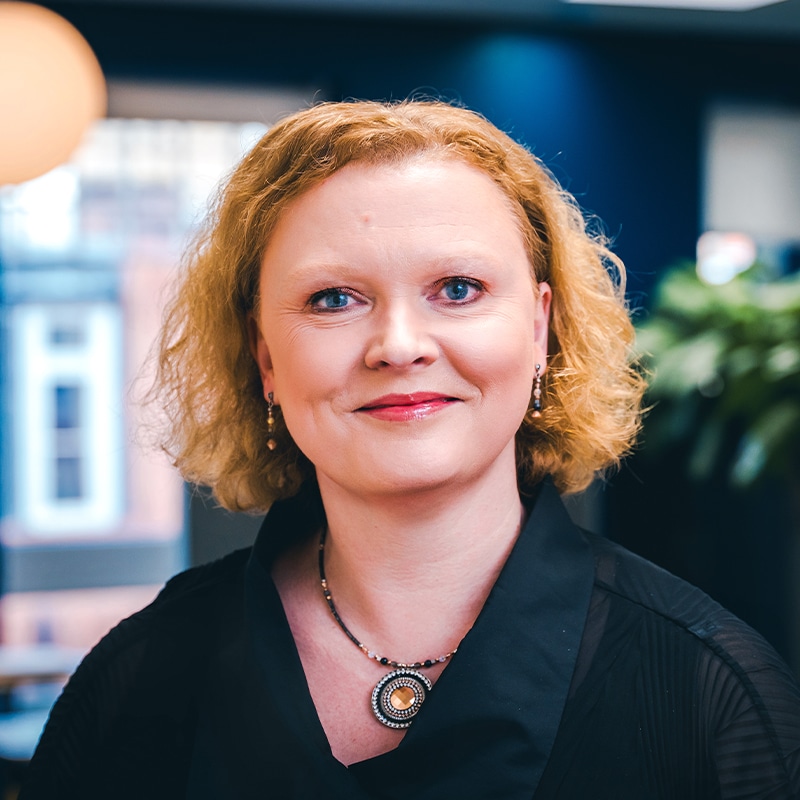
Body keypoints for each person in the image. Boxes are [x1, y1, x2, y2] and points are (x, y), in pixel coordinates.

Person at [20, 99, 800, 799]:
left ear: (537, 329)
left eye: (457, 289)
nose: (398, 345)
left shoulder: (713, 694)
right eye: (334, 299)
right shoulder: (139, 678)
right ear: (265, 360)